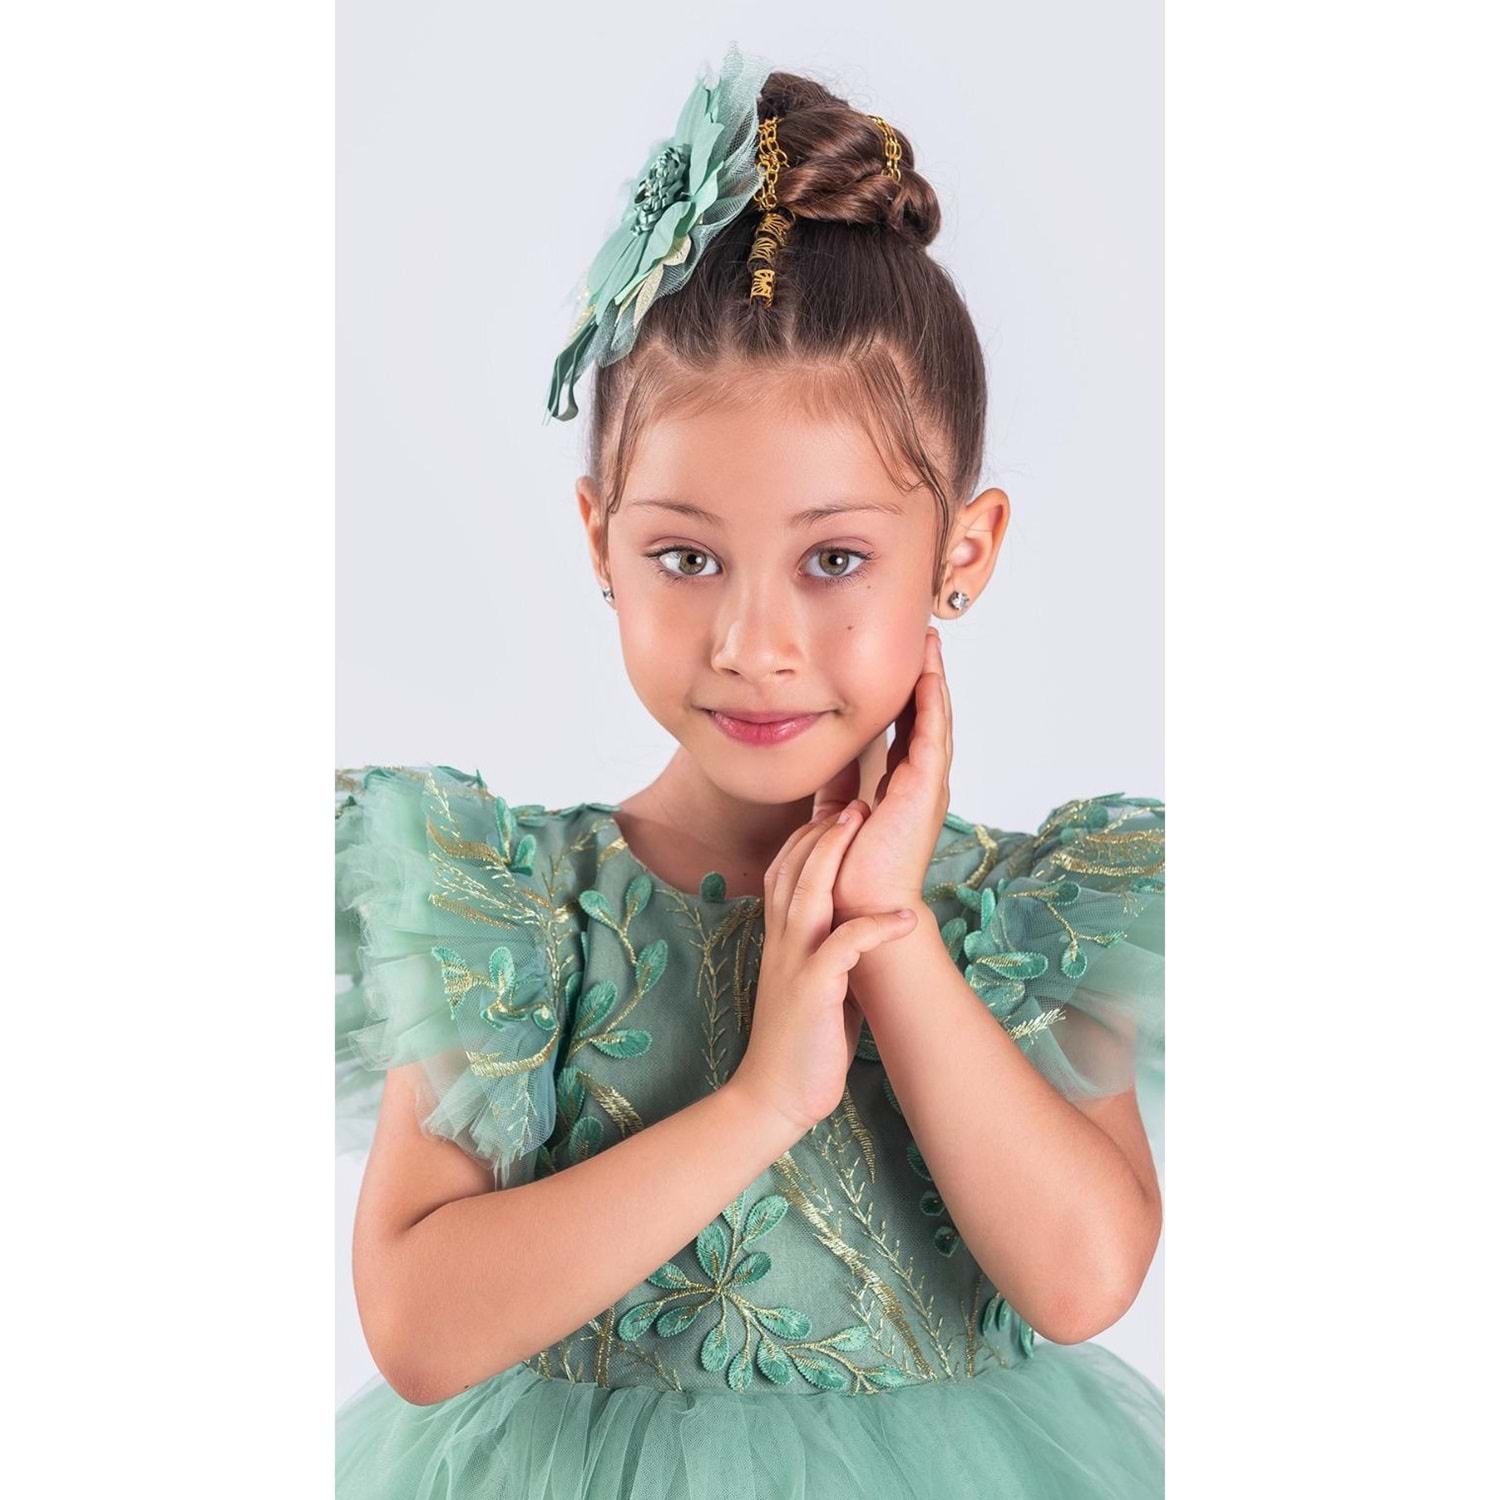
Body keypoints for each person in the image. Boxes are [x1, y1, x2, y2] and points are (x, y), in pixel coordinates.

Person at [335, 41, 1165, 1498]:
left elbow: (1085, 1276)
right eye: (685, 556)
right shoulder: (516, 916)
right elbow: (417, 1328)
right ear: (600, 541)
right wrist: (762, 1100)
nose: (753, 644)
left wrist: (893, 933)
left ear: (961, 553)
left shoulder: (1023, 924)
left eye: (834, 559)